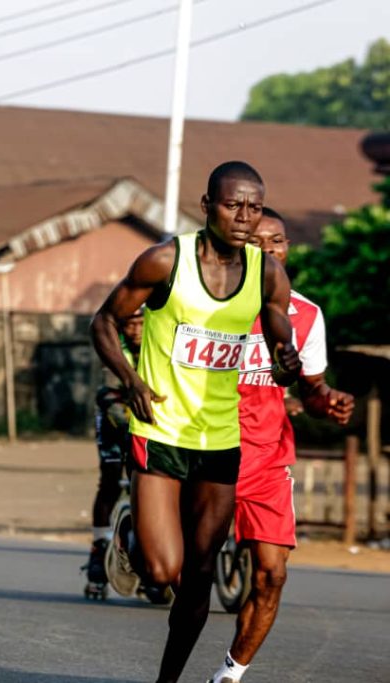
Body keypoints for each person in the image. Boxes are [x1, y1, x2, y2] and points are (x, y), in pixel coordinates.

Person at [90, 161, 302, 683]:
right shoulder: (166, 260)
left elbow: (276, 321)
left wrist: (285, 352)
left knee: (199, 574)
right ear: (207, 205)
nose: (245, 217)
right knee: (162, 570)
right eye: (234, 205)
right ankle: (128, 537)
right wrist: (133, 381)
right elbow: (104, 321)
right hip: (160, 428)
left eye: (254, 207)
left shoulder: (265, 271)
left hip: (220, 439)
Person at [208, 208, 354, 683]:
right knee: (172, 569)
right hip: (206, 450)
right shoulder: (209, 305)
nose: (270, 251)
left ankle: (230, 675)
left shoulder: (306, 315)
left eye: (279, 242)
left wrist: (325, 400)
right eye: (258, 242)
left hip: (267, 459)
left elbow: (311, 390)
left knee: (272, 575)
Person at [84, 307, 143, 595]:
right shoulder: (115, 348)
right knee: (110, 481)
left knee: (143, 483)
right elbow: (110, 393)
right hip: (114, 415)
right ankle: (99, 546)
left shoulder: (161, 342)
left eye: (141, 323)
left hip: (146, 420)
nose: (136, 330)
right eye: (130, 325)